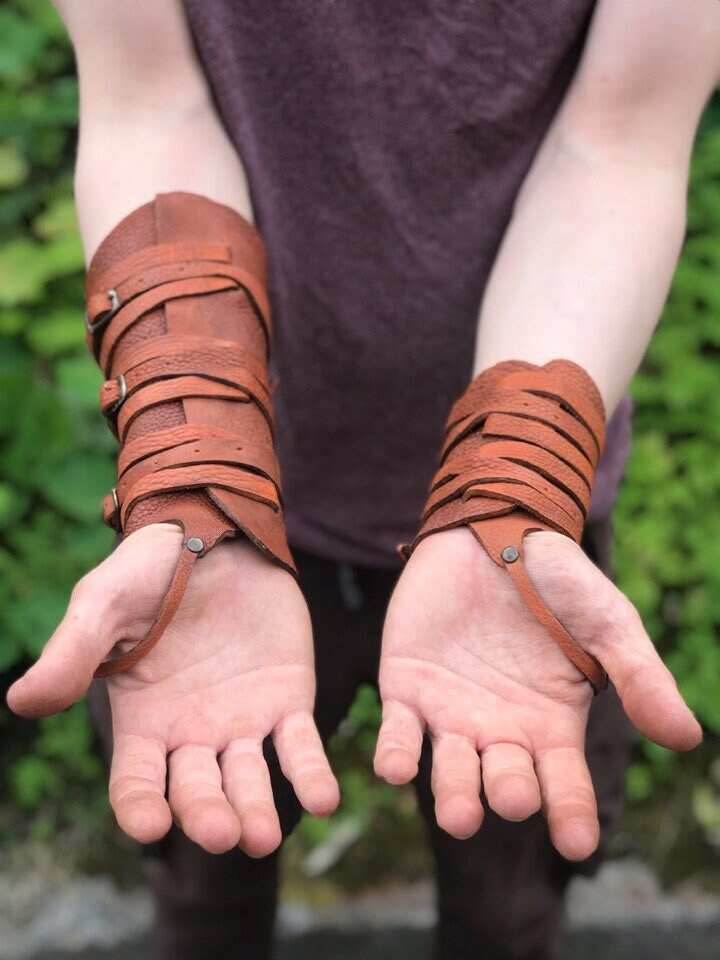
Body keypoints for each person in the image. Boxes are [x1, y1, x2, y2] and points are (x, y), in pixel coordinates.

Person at [7, 1, 720, 958]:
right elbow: (149, 102)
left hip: (522, 549)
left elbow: (616, 143)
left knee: (509, 907)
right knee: (202, 883)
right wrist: (194, 480)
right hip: (221, 528)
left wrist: (511, 485)